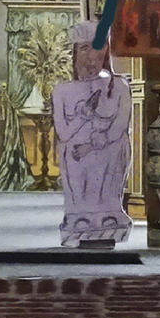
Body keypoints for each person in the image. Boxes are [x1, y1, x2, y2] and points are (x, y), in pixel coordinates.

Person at [51, 19, 132, 246]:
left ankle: (108, 216)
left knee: (115, 150)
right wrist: (82, 115)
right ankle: (80, 217)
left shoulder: (119, 87)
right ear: (74, 52)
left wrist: (96, 143)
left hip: (108, 156)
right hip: (77, 160)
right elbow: (63, 133)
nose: (92, 56)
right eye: (85, 48)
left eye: (98, 47)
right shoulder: (62, 91)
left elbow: (120, 125)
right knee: (72, 155)